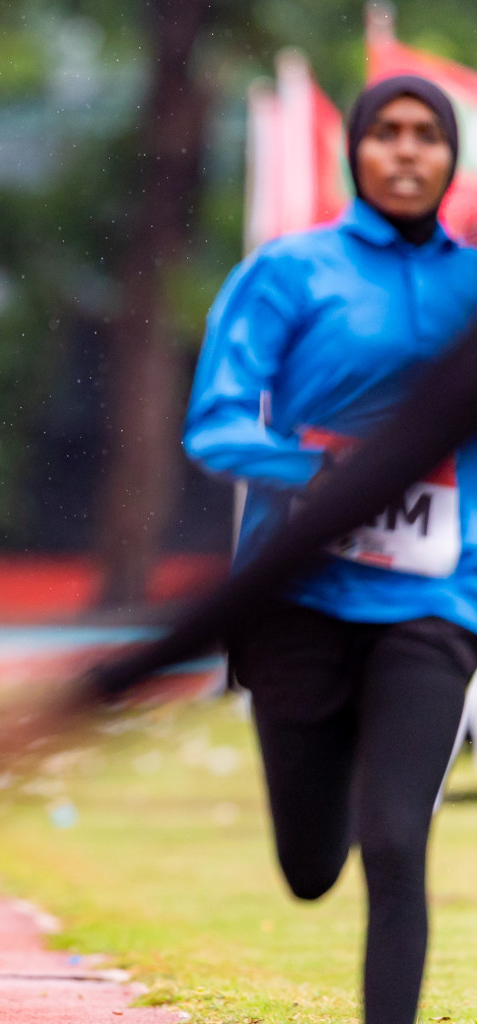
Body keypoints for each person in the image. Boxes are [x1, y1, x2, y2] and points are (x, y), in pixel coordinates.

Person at [183, 76, 477, 1024]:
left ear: (451, 157)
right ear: (355, 151)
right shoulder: (288, 271)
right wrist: (322, 474)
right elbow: (216, 425)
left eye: (426, 136)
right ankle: (345, 750)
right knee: (312, 869)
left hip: (434, 607)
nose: (405, 152)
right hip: (299, 603)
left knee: (397, 841)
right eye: (385, 133)